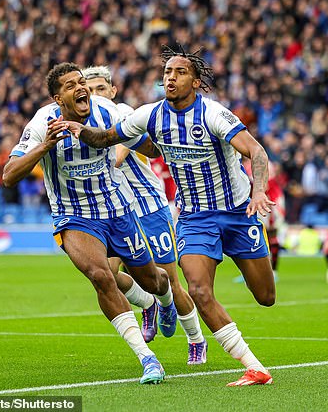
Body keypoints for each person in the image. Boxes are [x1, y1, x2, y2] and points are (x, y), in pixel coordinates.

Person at [55, 46, 276, 386]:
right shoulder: (150, 115)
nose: (171, 78)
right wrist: (77, 128)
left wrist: (259, 190)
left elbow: (256, 151)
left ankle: (174, 312)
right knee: (199, 291)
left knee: (265, 297)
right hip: (193, 217)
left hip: (237, 212)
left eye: (180, 73)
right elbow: (107, 138)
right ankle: (254, 367)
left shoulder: (214, 114)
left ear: (196, 82)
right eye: (167, 72)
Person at [2, 62, 177, 385]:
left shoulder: (106, 111)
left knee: (153, 280)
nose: (81, 88)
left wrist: (147, 138)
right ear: (58, 98)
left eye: (81, 81)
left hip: (117, 209)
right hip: (74, 216)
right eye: (71, 85)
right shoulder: (43, 122)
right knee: (101, 276)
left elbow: (148, 148)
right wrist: (45, 147)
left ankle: (161, 301)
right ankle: (148, 359)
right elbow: (9, 175)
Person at [82, 65, 207, 365]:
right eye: (90, 91)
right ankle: (148, 303)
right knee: (107, 275)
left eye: (101, 89)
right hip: (116, 211)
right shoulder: (85, 121)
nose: (96, 95)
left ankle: (196, 339)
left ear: (112, 91)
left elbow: (117, 155)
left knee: (171, 282)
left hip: (148, 206)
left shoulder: (122, 114)